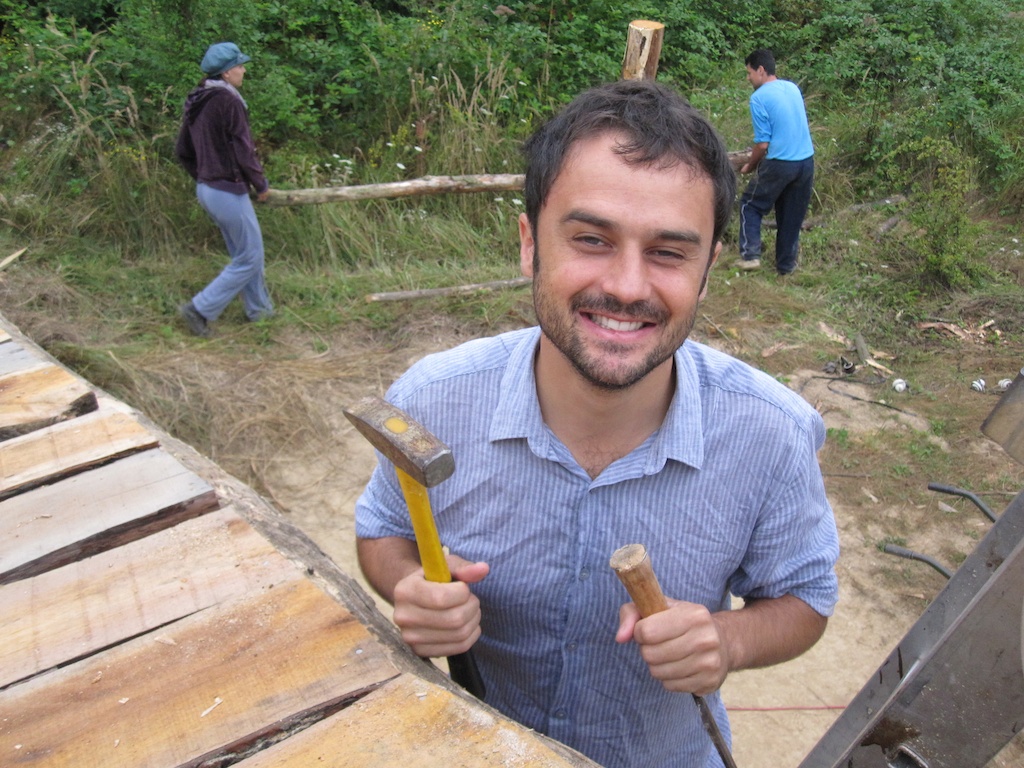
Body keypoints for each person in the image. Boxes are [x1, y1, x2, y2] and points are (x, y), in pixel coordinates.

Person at [355, 79, 839, 768]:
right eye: (591, 239)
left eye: (670, 253)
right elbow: (383, 531)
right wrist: (408, 583)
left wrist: (728, 641)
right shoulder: (431, 400)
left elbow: (804, 597)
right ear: (529, 244)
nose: (627, 286)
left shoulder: (772, 434)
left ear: (706, 273)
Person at [175, 41, 273, 338]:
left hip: (208, 189)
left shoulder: (198, 98)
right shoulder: (228, 101)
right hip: (227, 190)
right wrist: (261, 185)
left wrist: (204, 176)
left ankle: (260, 312)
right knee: (250, 256)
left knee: (244, 253)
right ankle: (199, 309)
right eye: (240, 65)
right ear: (228, 72)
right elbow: (244, 149)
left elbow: (182, 150)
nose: (244, 70)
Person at [737, 49, 814, 275]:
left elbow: (762, 144)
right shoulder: (792, 87)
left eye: (749, 73)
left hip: (781, 162)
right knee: (791, 215)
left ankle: (750, 255)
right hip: (806, 162)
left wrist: (749, 166)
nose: (748, 78)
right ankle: (786, 266)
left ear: (761, 70)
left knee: (750, 204)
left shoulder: (759, 97)